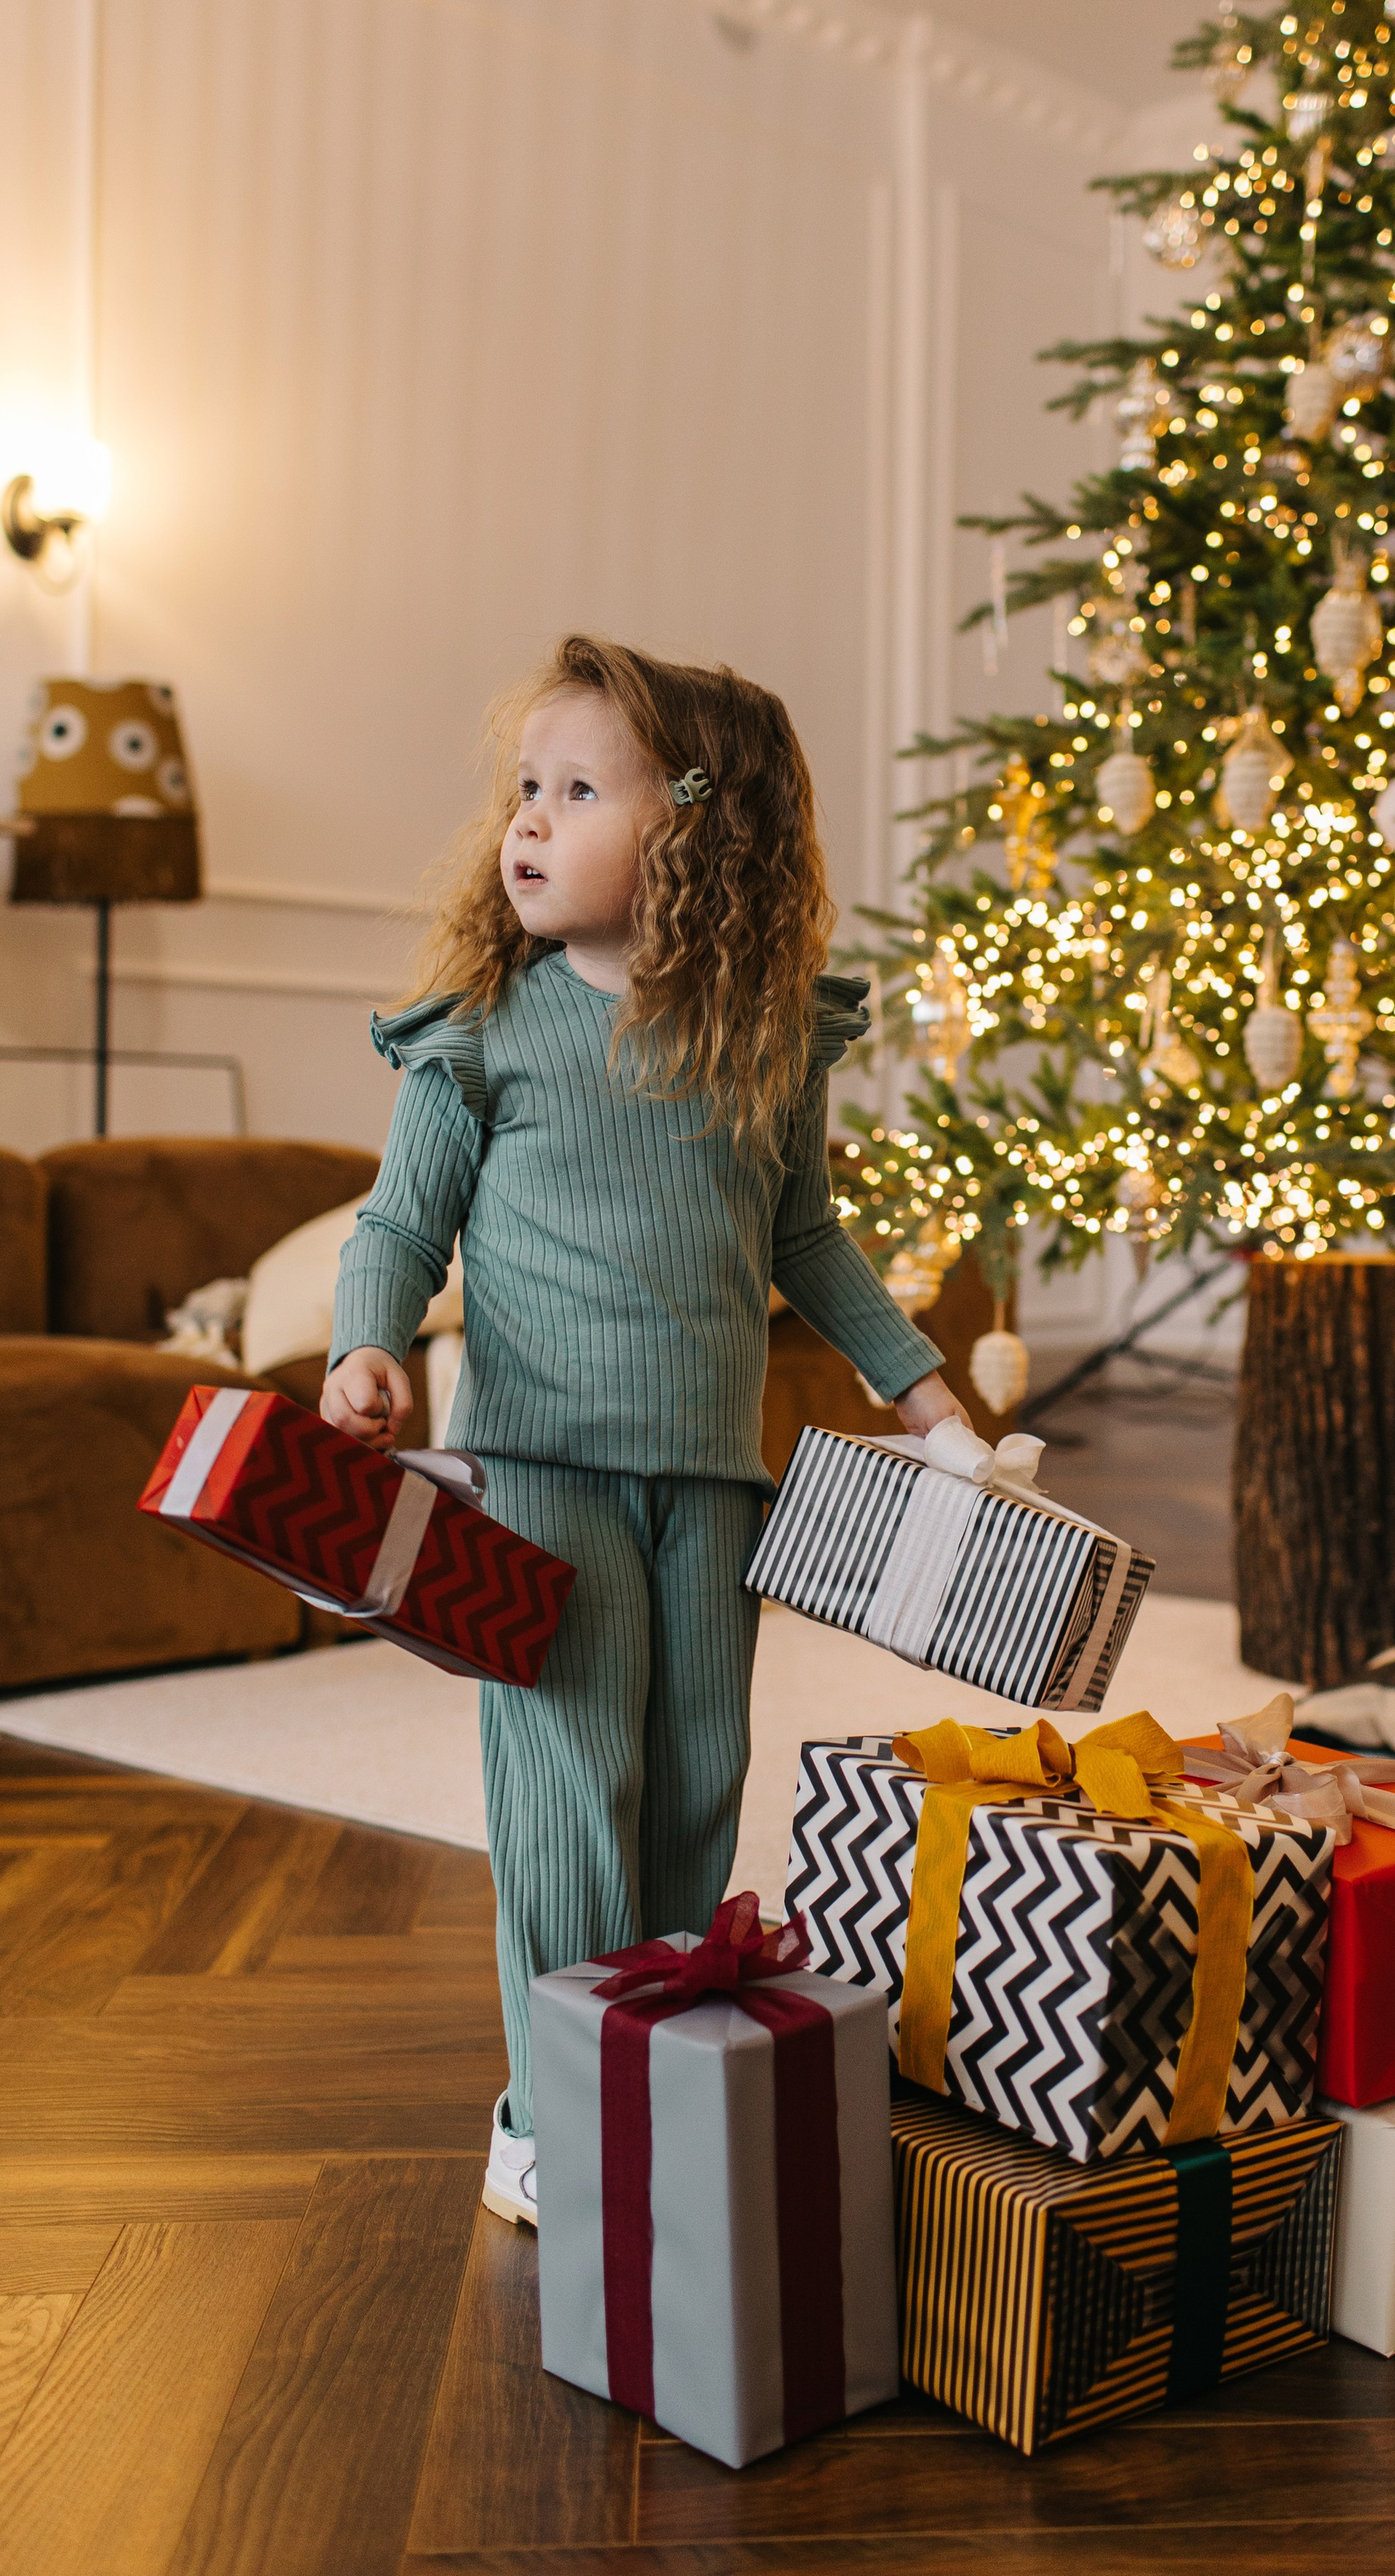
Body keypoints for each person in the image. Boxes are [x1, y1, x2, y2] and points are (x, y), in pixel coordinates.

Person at [320, 633, 965, 2226]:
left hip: (710, 1484)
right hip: (537, 1475)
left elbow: (802, 1241)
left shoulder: (762, 1042)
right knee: (567, 1783)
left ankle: (656, 2063)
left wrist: (926, 1391)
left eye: (576, 790)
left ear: (693, 829)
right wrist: (364, 1348)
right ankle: (546, 2111)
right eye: (523, 789)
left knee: (691, 1776)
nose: (526, 822)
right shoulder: (483, 1028)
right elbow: (398, 1230)